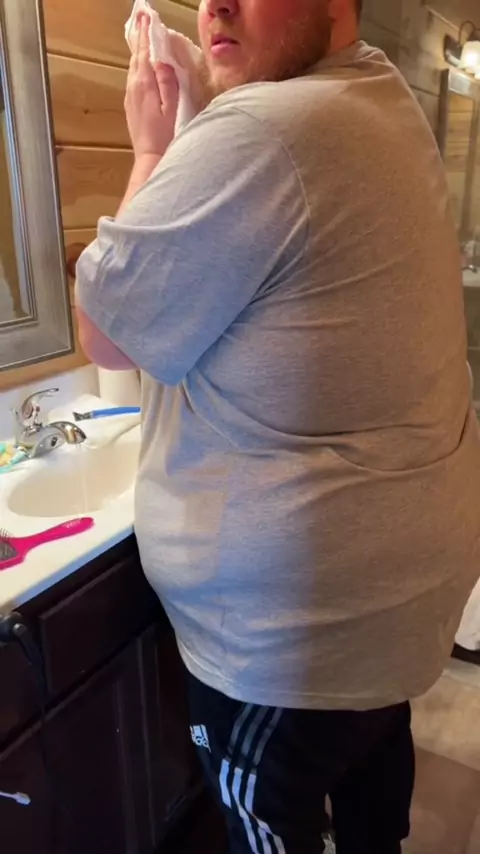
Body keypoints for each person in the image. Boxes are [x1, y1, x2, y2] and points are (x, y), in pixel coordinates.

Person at [75, 1, 480, 851]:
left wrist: (152, 147)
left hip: (288, 644)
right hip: (386, 613)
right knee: (370, 781)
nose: (215, 5)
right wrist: (208, 99)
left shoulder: (265, 129)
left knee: (269, 818)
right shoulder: (380, 97)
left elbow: (108, 334)